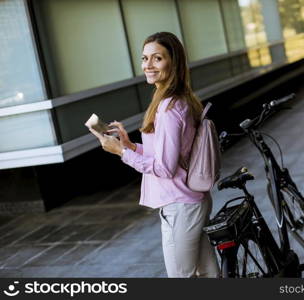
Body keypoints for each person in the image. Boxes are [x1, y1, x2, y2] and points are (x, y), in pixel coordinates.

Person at [89, 32, 220, 278]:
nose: (147, 65)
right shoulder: (175, 100)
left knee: (181, 277)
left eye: (157, 58)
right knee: (207, 273)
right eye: (144, 58)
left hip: (181, 205)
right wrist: (129, 145)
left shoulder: (169, 107)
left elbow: (165, 168)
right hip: (188, 202)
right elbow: (169, 153)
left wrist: (121, 153)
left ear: (174, 62)